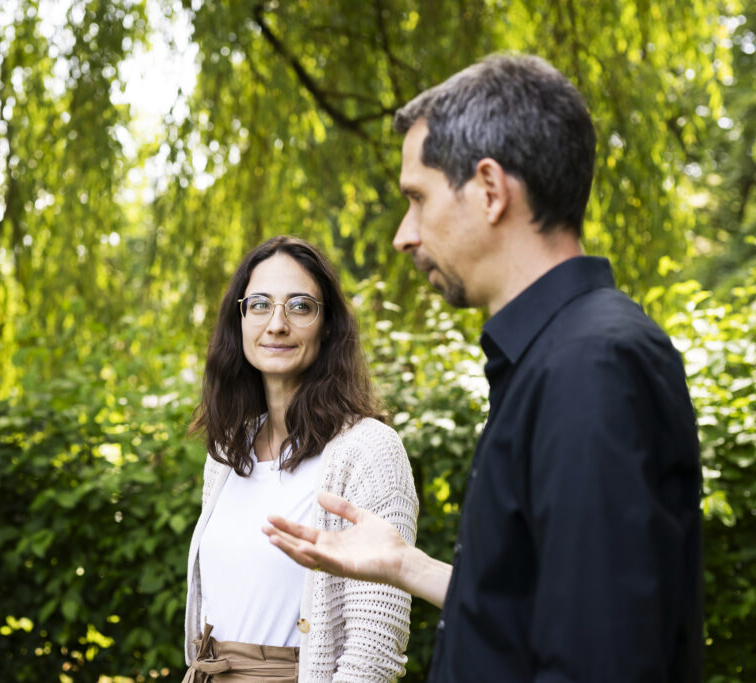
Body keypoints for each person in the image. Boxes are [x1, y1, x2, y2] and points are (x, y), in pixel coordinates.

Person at [264, 54, 703, 682]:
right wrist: (404, 564)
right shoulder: (552, 358)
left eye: (418, 198)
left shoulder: (593, 367)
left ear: (490, 190)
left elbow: (601, 659)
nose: (404, 235)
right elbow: (537, 608)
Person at [183, 236, 418, 681]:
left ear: (327, 326)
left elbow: (374, 653)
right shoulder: (228, 451)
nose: (277, 324)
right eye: (259, 304)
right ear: (240, 320)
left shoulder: (369, 451)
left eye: (300, 306)